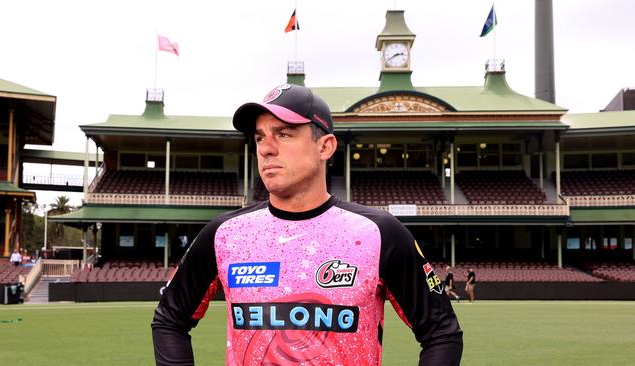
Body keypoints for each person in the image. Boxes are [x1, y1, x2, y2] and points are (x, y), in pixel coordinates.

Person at [152, 84, 463, 365]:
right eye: (260, 137)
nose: (266, 148)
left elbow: (442, 334)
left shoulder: (379, 233)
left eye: (284, 133)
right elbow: (169, 319)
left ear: (325, 147)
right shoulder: (225, 234)